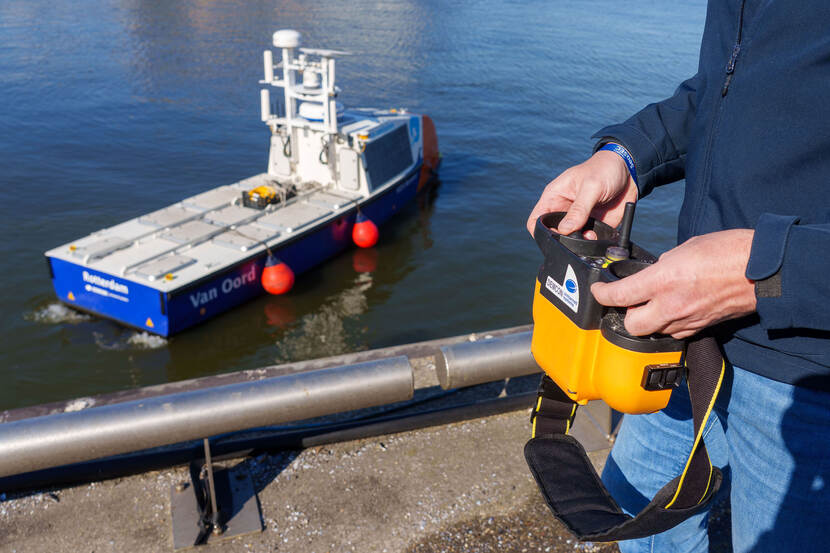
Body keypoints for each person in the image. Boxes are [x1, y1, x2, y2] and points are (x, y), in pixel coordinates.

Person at [526, 2, 830, 552]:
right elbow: (728, 90)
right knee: (638, 524)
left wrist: (764, 270)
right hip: (689, 336)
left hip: (808, 375)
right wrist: (627, 155)